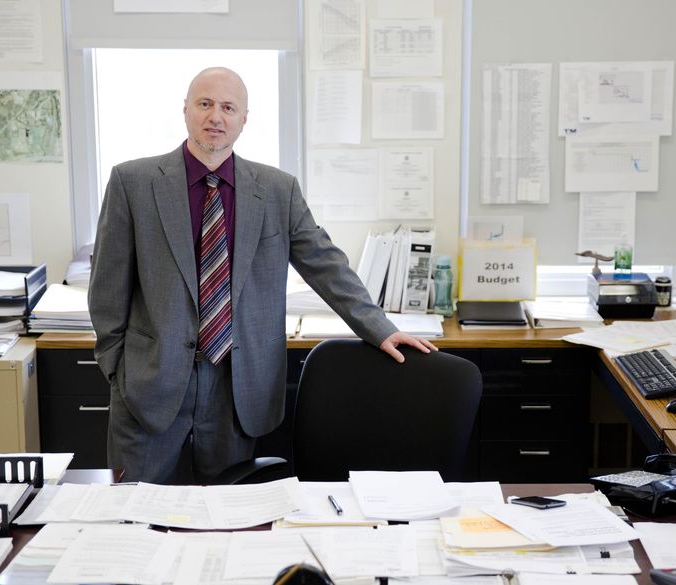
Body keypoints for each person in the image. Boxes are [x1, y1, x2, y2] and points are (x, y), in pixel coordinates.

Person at [88, 67, 438, 484]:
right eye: (205, 104)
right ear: (185, 110)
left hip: (238, 387)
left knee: (227, 522)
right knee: (134, 518)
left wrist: (379, 329)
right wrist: (117, 370)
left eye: (228, 107)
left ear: (244, 119)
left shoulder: (276, 190)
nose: (216, 116)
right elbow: (107, 288)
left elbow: (325, 264)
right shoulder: (133, 182)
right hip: (151, 384)